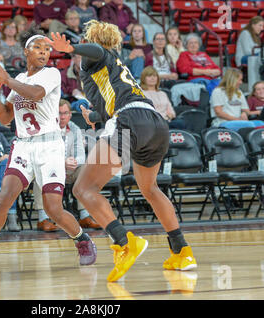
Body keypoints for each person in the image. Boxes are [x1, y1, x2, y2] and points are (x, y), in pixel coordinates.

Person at [46, 20, 197, 282]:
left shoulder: (97, 57)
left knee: (83, 189)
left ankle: (125, 242)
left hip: (129, 123)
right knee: (150, 189)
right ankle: (182, 250)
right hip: (155, 124)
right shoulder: (116, 67)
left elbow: (96, 51)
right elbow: (111, 107)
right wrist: (94, 116)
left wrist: (72, 48)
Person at [0, 26, 97, 271]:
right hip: (24, 145)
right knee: (5, 197)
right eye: (38, 48)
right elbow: (6, 118)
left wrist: (5, 80)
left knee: (53, 208)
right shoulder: (20, 78)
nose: (44, 52)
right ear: (26, 51)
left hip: (49, 145)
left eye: (47, 49)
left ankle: (83, 240)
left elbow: (36, 95)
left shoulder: (51, 74)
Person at [33, 99, 101, 232]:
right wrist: (62, 162)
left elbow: (81, 154)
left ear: (70, 114)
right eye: (59, 113)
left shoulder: (74, 128)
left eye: (65, 113)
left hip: (70, 170)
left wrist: (75, 162)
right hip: (51, 171)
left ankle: (84, 216)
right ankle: (43, 219)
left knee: (85, 169)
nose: (62, 117)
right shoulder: (45, 129)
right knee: (39, 172)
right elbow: (41, 156)